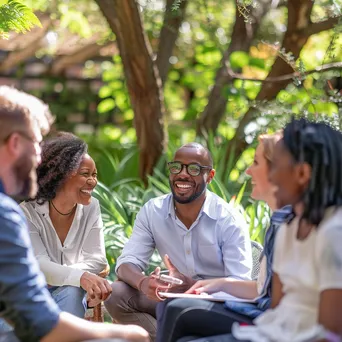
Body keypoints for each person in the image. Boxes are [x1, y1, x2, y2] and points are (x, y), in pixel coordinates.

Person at [0, 85, 148, 342]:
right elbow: (42, 323)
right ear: (14, 143)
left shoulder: (88, 208)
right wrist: (128, 333)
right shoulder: (8, 215)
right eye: (36, 144)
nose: (39, 158)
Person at [182, 118, 342, 342]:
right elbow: (276, 310)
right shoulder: (288, 227)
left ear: (303, 174)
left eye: (276, 166)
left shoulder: (333, 233)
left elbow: (331, 335)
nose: (272, 176)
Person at [105, 142, 253, 341]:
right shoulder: (153, 211)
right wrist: (143, 282)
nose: (183, 174)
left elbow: (241, 285)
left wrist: (194, 286)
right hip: (168, 298)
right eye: (177, 167)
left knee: (177, 309)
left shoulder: (228, 220)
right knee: (116, 293)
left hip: (213, 305)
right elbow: (125, 264)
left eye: (193, 169)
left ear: (209, 176)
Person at [155, 132, 293, 342]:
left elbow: (281, 303)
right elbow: (263, 289)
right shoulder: (277, 220)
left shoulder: (291, 224)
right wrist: (216, 284)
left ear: (277, 171)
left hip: (269, 322)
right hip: (260, 311)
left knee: (178, 311)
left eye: (255, 163)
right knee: (173, 310)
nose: (248, 171)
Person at [20, 133, 111, 317]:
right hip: (30, 297)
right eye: (85, 174)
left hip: (70, 294)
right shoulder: (27, 211)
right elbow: (39, 264)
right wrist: (80, 277)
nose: (93, 181)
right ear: (60, 176)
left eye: (94, 175)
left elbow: (97, 259)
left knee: (73, 291)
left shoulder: (92, 207)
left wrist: (65, 277)